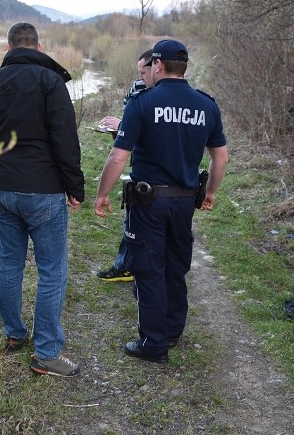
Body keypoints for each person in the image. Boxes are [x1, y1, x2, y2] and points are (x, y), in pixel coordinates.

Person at [93, 39, 228, 363]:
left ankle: (154, 344)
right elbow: (220, 158)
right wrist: (210, 192)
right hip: (184, 201)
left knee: (149, 269)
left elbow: (118, 157)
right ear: (183, 68)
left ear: (157, 65)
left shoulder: (143, 103)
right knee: (176, 267)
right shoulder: (206, 105)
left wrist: (102, 194)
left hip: (149, 202)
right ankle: (171, 331)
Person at [0, 22, 85, 377]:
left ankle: (14, 334)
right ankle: (47, 353)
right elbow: (65, 140)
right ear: (38, 46)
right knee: (52, 270)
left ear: (8, 48)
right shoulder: (50, 82)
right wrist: (75, 187)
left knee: (9, 263)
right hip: (43, 191)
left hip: (2, 189)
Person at [95, 49, 154, 282]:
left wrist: (121, 125)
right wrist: (119, 129)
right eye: (138, 72)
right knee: (134, 219)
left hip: (161, 177)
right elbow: (129, 134)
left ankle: (138, 269)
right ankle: (126, 264)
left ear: (158, 67)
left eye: (143, 72)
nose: (140, 78)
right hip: (140, 164)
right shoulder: (137, 89)